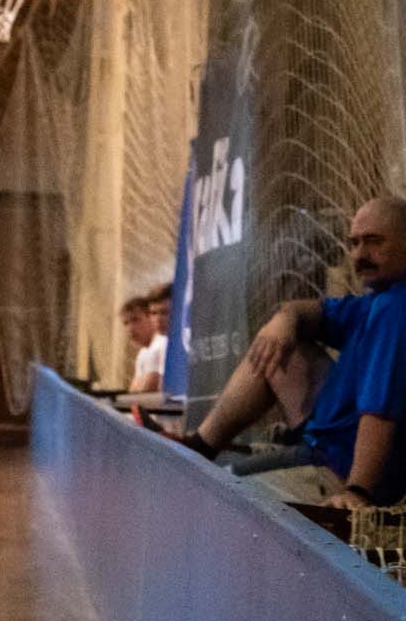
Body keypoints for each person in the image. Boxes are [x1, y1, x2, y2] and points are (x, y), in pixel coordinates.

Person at [159, 197, 406, 509]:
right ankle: (198, 447)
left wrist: (358, 492)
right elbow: (310, 312)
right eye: (354, 243)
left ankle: (198, 453)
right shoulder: (375, 301)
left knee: (209, 499)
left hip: (336, 469)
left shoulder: (394, 308)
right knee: (278, 343)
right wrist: (285, 319)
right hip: (324, 444)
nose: (360, 255)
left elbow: (380, 413)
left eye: (374, 242)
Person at [128, 285, 170, 395]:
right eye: (154, 313)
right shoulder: (163, 344)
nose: (158, 319)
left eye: (165, 312)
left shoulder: (162, 345)